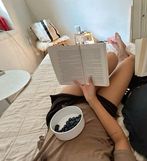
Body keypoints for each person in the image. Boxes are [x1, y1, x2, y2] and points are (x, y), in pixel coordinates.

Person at [34, 33, 137, 161]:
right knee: (131, 61)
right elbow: (120, 140)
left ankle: (120, 53)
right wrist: (92, 100)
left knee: (110, 58)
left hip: (64, 109)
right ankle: (123, 53)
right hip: (101, 114)